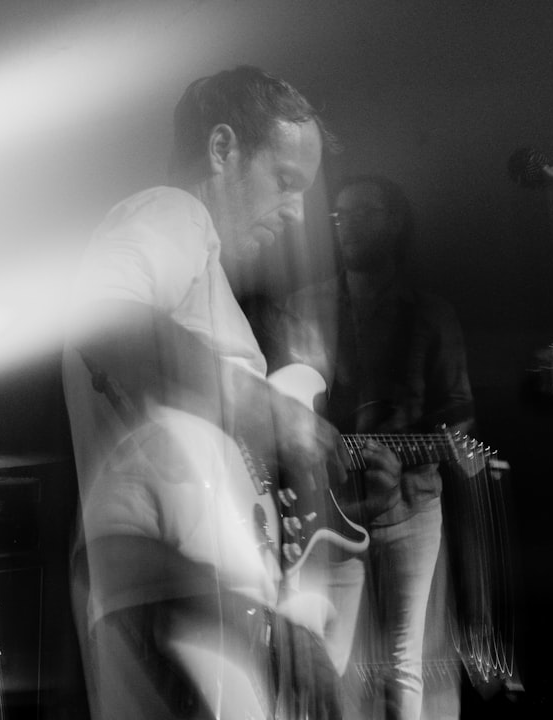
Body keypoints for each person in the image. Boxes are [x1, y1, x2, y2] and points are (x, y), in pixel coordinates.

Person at [60, 66, 394, 720]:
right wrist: (261, 405)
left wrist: (336, 488)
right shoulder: (171, 210)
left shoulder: (204, 283)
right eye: (286, 180)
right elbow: (101, 318)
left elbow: (218, 481)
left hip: (198, 609)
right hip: (169, 604)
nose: (298, 210)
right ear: (222, 149)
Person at [272, 174, 476, 720]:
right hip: (328, 506)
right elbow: (285, 407)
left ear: (394, 223)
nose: (346, 228)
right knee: (328, 654)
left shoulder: (432, 313)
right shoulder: (304, 305)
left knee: (402, 657)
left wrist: (430, 449)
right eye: (339, 217)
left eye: (362, 215)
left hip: (411, 506)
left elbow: (458, 416)